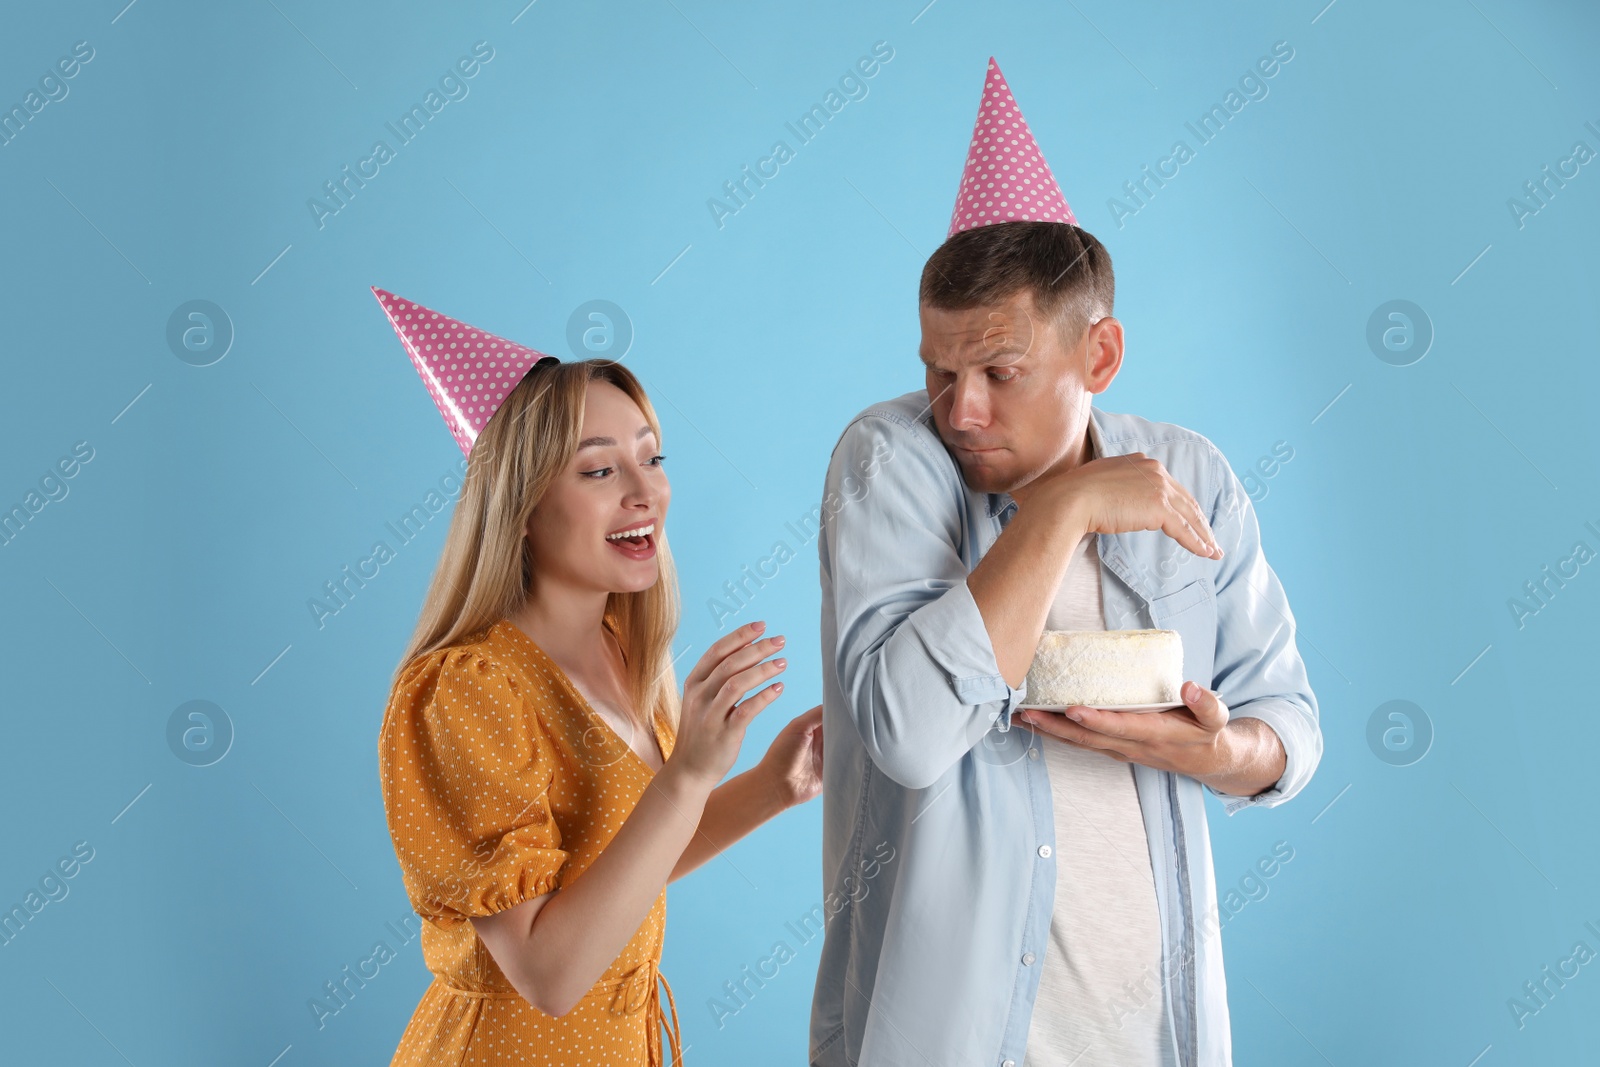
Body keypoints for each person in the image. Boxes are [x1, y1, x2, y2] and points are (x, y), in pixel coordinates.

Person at [808, 61, 1322, 1067]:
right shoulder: (889, 460)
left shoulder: (1191, 475)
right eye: (938, 370)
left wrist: (1219, 755)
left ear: (1098, 356)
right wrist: (1065, 505)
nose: (961, 408)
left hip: (1155, 1033)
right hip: (950, 1035)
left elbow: (1289, 723)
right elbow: (911, 732)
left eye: (1000, 372)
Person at [369, 288, 824, 1066]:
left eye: (651, 457)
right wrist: (687, 776)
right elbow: (549, 971)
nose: (645, 493)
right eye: (600, 470)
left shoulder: (621, 654)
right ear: (521, 507)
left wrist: (771, 786)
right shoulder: (468, 691)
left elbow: (617, 871)